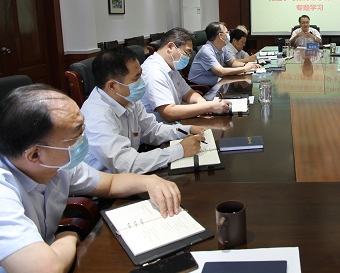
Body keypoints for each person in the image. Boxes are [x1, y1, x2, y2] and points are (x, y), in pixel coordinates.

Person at [0, 84, 181, 273]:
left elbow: (110, 184)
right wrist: (70, 232)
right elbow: (46, 269)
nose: (84, 138)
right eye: (76, 135)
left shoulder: (56, 163)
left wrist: (150, 181)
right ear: (35, 154)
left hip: (58, 255)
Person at [82, 46, 206, 174]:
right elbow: (127, 164)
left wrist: (188, 129)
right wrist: (179, 150)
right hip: (105, 181)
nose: (142, 82)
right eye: (136, 78)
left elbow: (152, 130)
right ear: (112, 86)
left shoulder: (128, 99)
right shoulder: (98, 116)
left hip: (129, 174)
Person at [140, 27, 229, 123]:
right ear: (170, 47)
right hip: (164, 128)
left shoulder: (170, 66)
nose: (187, 57)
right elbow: (168, 113)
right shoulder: (154, 72)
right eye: (186, 52)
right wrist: (208, 106)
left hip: (176, 123)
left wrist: (202, 104)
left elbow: (188, 94)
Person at [188, 22, 260, 87]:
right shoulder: (206, 50)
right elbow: (220, 72)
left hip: (216, 79)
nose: (229, 35)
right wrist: (244, 68)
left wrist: (247, 65)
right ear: (220, 36)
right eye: (226, 32)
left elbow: (232, 63)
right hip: (199, 85)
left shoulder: (223, 47)